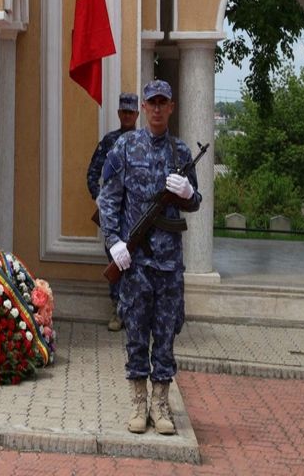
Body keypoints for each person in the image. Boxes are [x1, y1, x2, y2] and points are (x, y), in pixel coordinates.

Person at [97, 80, 200, 436]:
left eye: (163, 103)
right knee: (137, 333)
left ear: (171, 107)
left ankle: (162, 405)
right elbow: (107, 200)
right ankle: (139, 404)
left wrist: (188, 193)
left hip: (169, 264)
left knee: (166, 335)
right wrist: (114, 243)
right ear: (142, 107)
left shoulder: (182, 152)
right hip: (136, 262)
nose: (157, 109)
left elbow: (195, 201)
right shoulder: (124, 148)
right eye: (151, 103)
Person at [86, 92, 139, 332]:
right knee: (115, 263)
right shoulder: (109, 141)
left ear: (138, 114)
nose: (127, 115)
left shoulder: (144, 141)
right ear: (119, 114)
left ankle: (136, 313)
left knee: (137, 265)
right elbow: (92, 173)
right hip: (115, 218)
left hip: (137, 216)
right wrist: (99, 200)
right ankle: (117, 310)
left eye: (132, 111)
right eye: (124, 111)